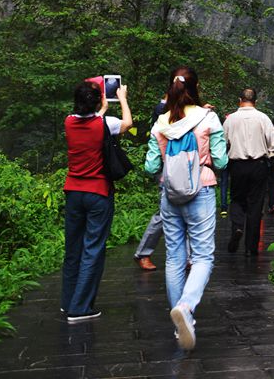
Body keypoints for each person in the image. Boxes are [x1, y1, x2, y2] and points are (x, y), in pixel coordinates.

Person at [145, 65, 227, 351]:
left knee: (174, 258)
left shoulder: (160, 123)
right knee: (203, 256)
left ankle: (182, 327)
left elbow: (151, 165)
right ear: (195, 87)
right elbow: (221, 160)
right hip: (201, 189)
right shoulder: (209, 117)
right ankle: (186, 307)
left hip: (170, 192)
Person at [62, 78, 132, 322]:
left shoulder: (69, 122)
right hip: (98, 193)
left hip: (73, 191)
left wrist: (99, 105)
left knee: (73, 248)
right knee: (92, 249)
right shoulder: (106, 124)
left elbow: (91, 118)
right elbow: (127, 124)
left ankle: (68, 301)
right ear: (100, 101)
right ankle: (80, 308)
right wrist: (121, 98)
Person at [223, 86, 274, 255]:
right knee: (255, 204)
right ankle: (251, 248)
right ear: (255, 101)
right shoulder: (263, 118)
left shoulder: (230, 119)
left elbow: (223, 143)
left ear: (239, 100)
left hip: (237, 165)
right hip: (258, 165)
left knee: (236, 200)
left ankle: (237, 227)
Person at [133, 93, 168, 271]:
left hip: (187, 171)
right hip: (166, 170)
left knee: (189, 215)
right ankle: (143, 253)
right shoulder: (162, 109)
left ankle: (189, 258)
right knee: (163, 215)